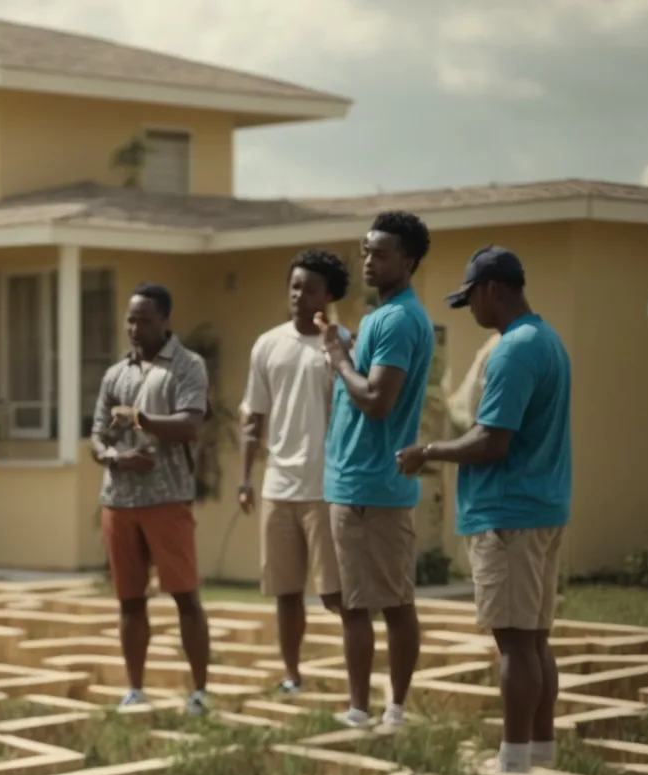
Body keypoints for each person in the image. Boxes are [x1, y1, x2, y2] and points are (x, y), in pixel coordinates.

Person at [398, 247, 570, 775]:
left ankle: (513, 758)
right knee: (535, 639)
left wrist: (428, 452)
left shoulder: (514, 349)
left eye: (469, 298)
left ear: (491, 289)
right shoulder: (548, 340)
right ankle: (540, 750)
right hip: (539, 508)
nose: (469, 310)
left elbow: (492, 441)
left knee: (514, 644)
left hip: (507, 513)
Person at [318, 211, 436, 730]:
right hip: (357, 481)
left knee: (380, 605)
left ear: (408, 261)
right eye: (365, 250)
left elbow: (376, 399)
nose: (368, 260)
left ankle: (377, 710)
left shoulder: (397, 320)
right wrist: (345, 354)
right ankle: (375, 709)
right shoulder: (386, 317)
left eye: (381, 253)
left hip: (372, 483)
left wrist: (339, 357)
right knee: (369, 602)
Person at [92, 283, 214, 716]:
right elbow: (96, 437)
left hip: (168, 499)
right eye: (130, 319)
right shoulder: (115, 374)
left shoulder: (187, 366)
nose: (134, 328)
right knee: (129, 599)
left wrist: (141, 418)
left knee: (184, 597)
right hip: (119, 502)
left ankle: (199, 691)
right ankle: (135, 689)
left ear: (165, 320)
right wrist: (115, 457)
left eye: (144, 319)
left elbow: (189, 425)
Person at [239, 251, 352, 693]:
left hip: (327, 487)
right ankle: (292, 676)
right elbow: (254, 418)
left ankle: (353, 681)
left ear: (328, 295)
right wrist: (246, 479)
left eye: (308, 287)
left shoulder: (344, 344)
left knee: (335, 594)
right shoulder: (267, 345)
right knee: (286, 592)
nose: (297, 294)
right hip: (278, 488)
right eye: (293, 286)